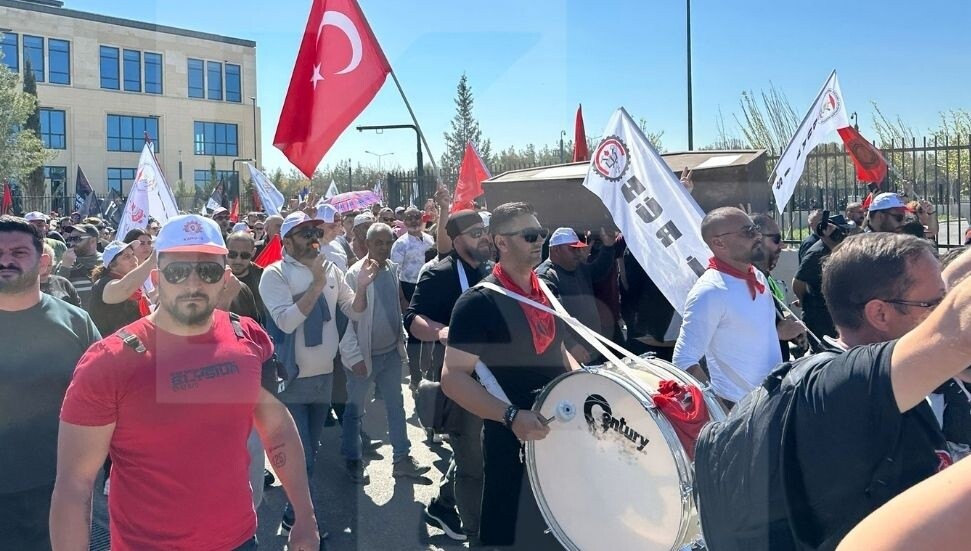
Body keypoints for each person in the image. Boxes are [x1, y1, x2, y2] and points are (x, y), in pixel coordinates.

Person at [52, 214, 320, 551]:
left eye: (207, 271)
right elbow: (74, 487)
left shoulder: (247, 336)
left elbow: (277, 429)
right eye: (177, 272)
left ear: (225, 279)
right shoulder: (108, 362)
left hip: (239, 541)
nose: (192, 284)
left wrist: (305, 517)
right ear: (155, 278)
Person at [763, 232, 971, 549]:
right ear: (880, 314)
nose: (940, 314)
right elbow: (958, 324)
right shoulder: (837, 394)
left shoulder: (877, 384)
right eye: (933, 304)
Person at [442, 202, 573, 549]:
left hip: (558, 428)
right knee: (515, 536)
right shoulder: (477, 302)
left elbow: (558, 350)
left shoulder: (546, 288)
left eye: (541, 234)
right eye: (529, 235)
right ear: (500, 241)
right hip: (512, 437)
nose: (539, 241)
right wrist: (511, 416)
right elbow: (453, 378)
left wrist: (582, 389)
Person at [259, 211, 371, 534]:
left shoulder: (331, 269)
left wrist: (361, 287)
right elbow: (286, 321)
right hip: (291, 381)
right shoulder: (275, 274)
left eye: (315, 232)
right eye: (305, 233)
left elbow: (354, 310)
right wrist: (317, 285)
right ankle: (303, 521)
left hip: (324, 379)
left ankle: (296, 514)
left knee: (312, 452)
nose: (313, 239)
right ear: (287, 239)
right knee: (303, 456)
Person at [0, 216, 100, 550]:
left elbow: (105, 392)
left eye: (17, 252)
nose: (5, 260)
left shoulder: (74, 321)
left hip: (58, 487)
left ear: (43, 262)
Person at [407, 209, 494, 542]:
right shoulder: (438, 273)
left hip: (494, 379)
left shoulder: (490, 271)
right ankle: (477, 535)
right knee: (473, 462)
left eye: (484, 232)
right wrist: (443, 332)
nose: (484, 238)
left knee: (479, 453)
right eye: (475, 234)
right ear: (457, 241)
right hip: (459, 380)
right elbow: (413, 320)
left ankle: (443, 504)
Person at [673, 207, 805, 406]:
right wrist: (718, 409)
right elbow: (683, 360)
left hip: (773, 400)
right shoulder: (710, 292)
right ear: (719, 243)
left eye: (755, 229)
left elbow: (742, 330)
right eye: (748, 232)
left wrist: (778, 331)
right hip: (739, 408)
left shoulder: (757, 275)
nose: (757, 236)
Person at [339, 223, 432, 484]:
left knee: (397, 408)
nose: (384, 247)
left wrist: (400, 341)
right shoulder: (354, 274)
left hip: (390, 355)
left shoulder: (391, 269)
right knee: (355, 410)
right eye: (378, 242)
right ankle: (353, 460)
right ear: (366, 244)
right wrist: (354, 357)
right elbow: (345, 322)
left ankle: (402, 459)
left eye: (388, 242)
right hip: (363, 357)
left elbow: (395, 308)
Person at [536, 227, 617, 363]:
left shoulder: (579, 267)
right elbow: (549, 318)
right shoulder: (546, 276)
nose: (579, 253)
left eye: (578, 249)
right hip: (570, 356)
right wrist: (570, 344)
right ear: (556, 250)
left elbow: (598, 271)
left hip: (592, 350)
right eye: (572, 249)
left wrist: (608, 247)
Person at [751, 213, 802, 360]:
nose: (782, 246)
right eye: (776, 239)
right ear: (756, 240)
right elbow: (730, 333)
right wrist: (776, 334)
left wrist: (792, 334)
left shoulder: (764, 277)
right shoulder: (736, 282)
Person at [87, 240, 154, 338]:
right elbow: (125, 288)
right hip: (110, 347)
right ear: (112, 265)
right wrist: (154, 259)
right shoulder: (103, 284)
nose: (134, 259)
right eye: (127, 257)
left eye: (133, 254)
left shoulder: (136, 286)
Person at [55, 223, 103, 308]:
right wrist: (65, 267)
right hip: (78, 318)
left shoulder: (106, 261)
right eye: (70, 239)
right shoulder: (66, 262)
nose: (72, 243)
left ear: (92, 240)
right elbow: (57, 294)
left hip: (102, 318)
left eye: (77, 239)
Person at [226, 231, 266, 324]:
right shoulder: (214, 277)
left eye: (244, 255)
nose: (238, 260)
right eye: (232, 254)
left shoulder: (264, 277)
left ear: (253, 253)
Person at [40, 241, 81, 307]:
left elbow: (77, 309)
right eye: (42, 266)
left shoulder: (63, 283)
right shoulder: (24, 287)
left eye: (49, 265)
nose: (46, 269)